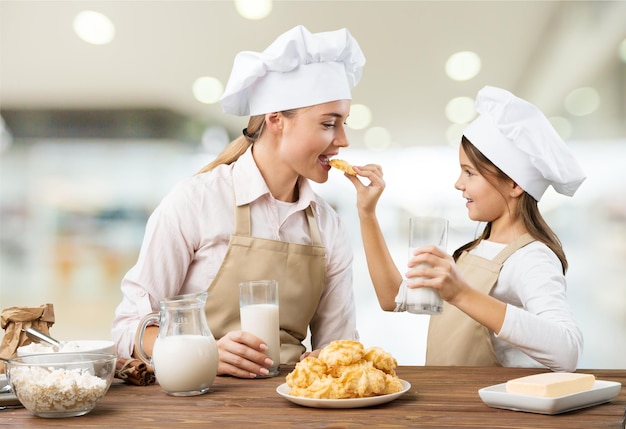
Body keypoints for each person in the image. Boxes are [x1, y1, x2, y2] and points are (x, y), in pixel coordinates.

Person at [111, 25, 366, 378]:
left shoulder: (327, 224)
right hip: (198, 398)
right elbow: (128, 329)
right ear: (276, 120)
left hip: (294, 404)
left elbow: (337, 346)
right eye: (328, 124)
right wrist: (202, 351)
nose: (343, 139)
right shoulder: (197, 201)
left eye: (343, 124)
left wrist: (328, 363)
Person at [346, 86, 586, 372]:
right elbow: (392, 299)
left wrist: (461, 293)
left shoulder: (531, 257)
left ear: (514, 184)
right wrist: (367, 213)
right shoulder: (472, 251)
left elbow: (567, 351)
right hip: (449, 407)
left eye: (470, 172)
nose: (458, 184)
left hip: (490, 414)